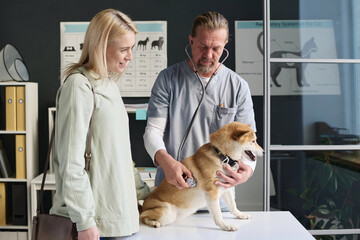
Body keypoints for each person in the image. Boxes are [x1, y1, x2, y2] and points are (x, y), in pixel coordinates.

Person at [143, 12, 257, 202]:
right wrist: (166, 162)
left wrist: (247, 171)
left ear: (225, 45)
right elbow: (152, 131)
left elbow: (248, 140)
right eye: (203, 46)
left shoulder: (238, 86)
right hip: (173, 194)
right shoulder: (168, 79)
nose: (208, 55)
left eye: (216, 48)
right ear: (191, 41)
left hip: (218, 198)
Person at [50, 9, 139, 239]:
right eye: (123, 49)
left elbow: (119, 156)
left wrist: (149, 193)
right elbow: (71, 164)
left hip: (121, 223)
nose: (130, 56)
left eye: (132, 48)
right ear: (101, 45)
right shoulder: (78, 86)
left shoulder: (109, 86)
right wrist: (84, 222)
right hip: (95, 227)